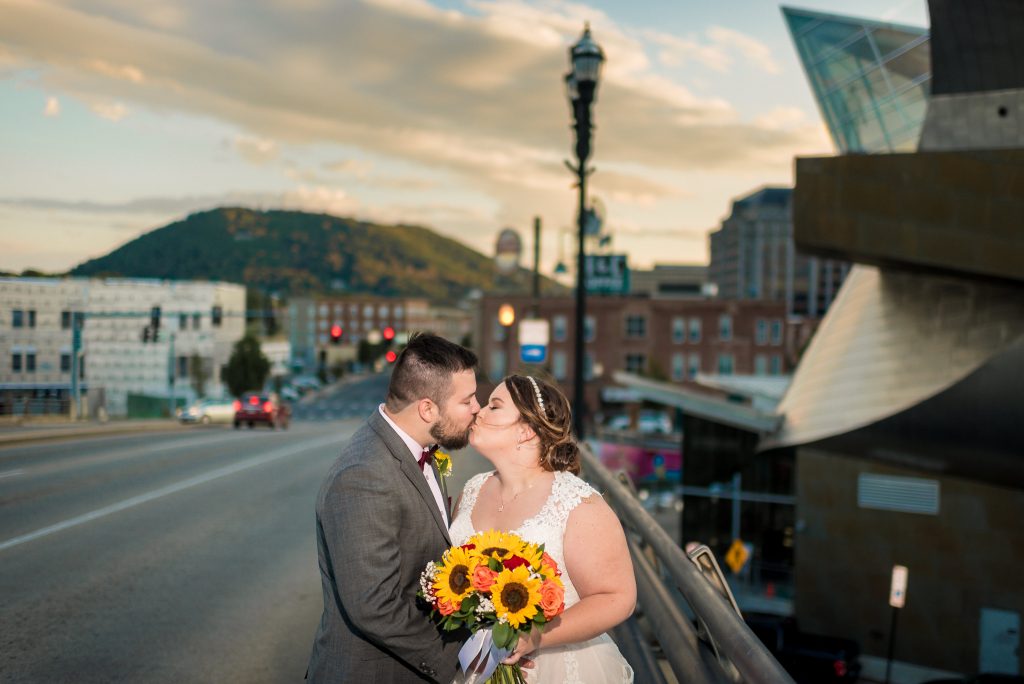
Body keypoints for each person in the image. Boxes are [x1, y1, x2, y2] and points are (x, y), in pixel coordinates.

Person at [307, 332, 480, 683]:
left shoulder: (419, 448)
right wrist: (462, 656)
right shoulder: (364, 474)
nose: (478, 407)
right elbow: (374, 605)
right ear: (427, 408)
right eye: (468, 400)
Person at [450, 374, 636, 683]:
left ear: (525, 431)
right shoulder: (472, 489)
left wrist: (531, 638)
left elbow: (618, 597)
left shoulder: (576, 503)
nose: (478, 411)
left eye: (494, 407)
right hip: (478, 664)